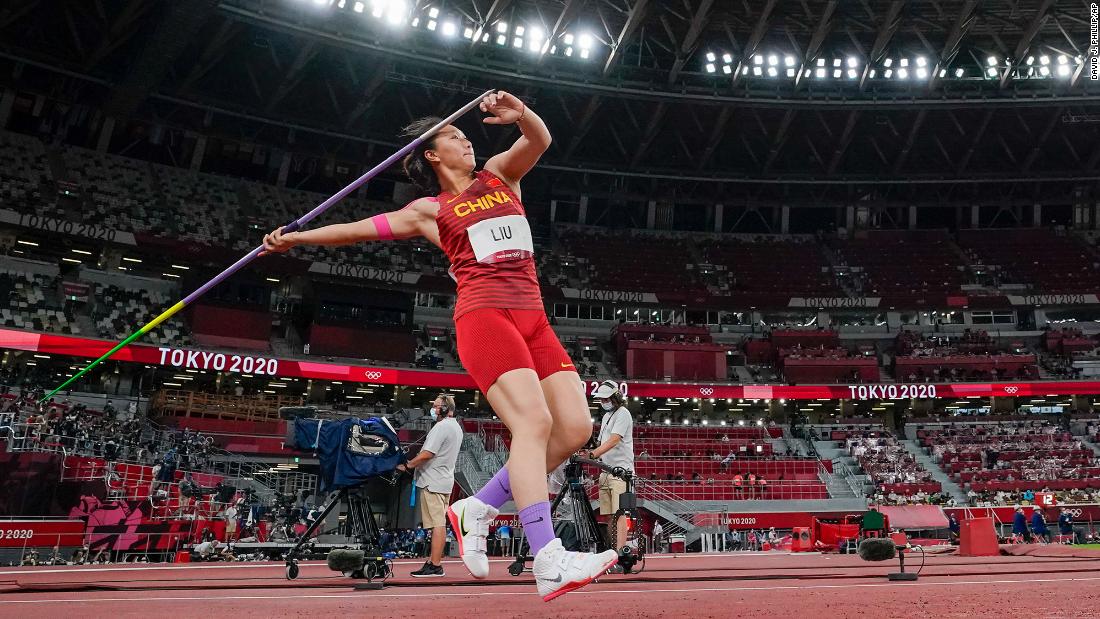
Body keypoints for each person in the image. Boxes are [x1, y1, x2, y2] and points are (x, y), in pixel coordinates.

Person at [262, 90, 616, 600]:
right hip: (485, 314)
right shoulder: (429, 209)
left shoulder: (500, 174)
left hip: (534, 318)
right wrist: (297, 238)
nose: (467, 140)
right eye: (455, 136)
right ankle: (547, 557)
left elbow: (540, 139)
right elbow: (357, 232)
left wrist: (523, 116)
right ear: (432, 154)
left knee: (576, 428)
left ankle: (478, 507)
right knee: (533, 424)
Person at [398, 394, 463, 577]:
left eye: (436, 406)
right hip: (443, 480)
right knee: (438, 523)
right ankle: (432, 562)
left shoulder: (442, 427)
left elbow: (428, 453)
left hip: (433, 481)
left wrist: (409, 465)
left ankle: (435, 565)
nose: (433, 410)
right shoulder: (455, 427)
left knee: (437, 524)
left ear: (445, 408)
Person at [587, 380, 634, 559]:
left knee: (620, 513)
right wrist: (590, 451)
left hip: (620, 472)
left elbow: (614, 440)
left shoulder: (623, 414)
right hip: (606, 470)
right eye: (601, 399)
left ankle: (620, 552)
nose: (603, 402)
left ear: (615, 398)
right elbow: (601, 442)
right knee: (609, 515)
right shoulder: (607, 417)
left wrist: (593, 454)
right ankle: (612, 550)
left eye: (606, 399)